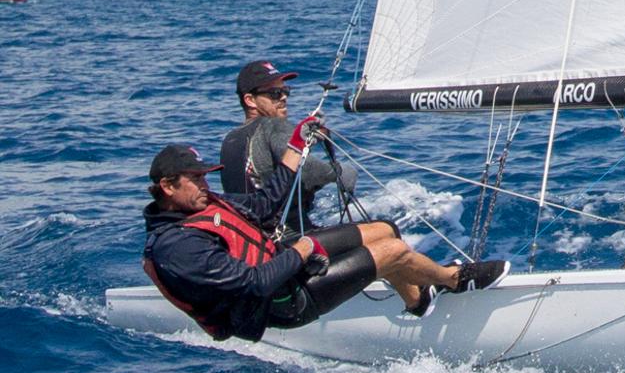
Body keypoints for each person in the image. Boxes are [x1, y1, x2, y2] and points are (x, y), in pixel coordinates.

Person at [143, 117, 510, 342]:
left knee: (385, 230)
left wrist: (296, 145)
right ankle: (454, 279)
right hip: (282, 303)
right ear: (168, 187)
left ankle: (417, 301)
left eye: (204, 177)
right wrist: (300, 252)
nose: (204, 186)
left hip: (286, 262)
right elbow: (254, 284)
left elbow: (265, 204)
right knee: (393, 253)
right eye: (194, 180)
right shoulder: (177, 247)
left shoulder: (206, 204)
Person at [220, 60, 357, 231]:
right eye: (275, 93)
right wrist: (339, 171)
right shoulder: (274, 125)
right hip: (288, 238)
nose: (284, 97)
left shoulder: (229, 140)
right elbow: (308, 172)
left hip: (250, 239)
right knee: (386, 232)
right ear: (250, 100)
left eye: (286, 91)